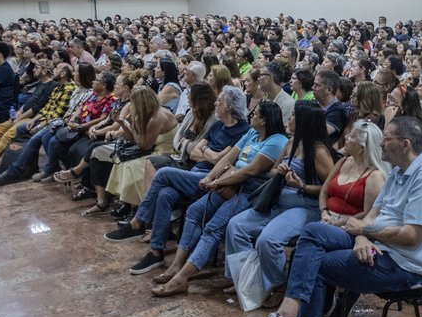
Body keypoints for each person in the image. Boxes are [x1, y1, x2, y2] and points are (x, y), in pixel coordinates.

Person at [237, 117, 422, 317]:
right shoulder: (398, 172)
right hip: (380, 243)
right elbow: (376, 211)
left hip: (406, 264)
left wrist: (365, 230)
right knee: (313, 232)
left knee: (315, 264)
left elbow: (411, 236)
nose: (381, 143)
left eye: (387, 138)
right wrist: (363, 235)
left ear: (405, 144)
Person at [149, 101, 288, 295]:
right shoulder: (252, 134)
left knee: (214, 227)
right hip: (228, 182)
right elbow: (229, 158)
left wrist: (216, 183)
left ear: (264, 120)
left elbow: (252, 170)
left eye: (255, 114)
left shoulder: (277, 140)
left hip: (249, 191)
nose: (251, 116)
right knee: (194, 211)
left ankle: (182, 279)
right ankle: (177, 264)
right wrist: (210, 177)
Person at [108, 87, 249, 262]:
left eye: (219, 101)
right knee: (165, 194)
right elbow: (195, 152)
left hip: (214, 180)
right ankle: (156, 251)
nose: (215, 103)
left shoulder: (243, 130)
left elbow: (220, 159)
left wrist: (205, 151)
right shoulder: (218, 125)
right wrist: (207, 152)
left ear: (228, 106)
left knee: (163, 173)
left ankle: (138, 221)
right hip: (195, 172)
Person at [224, 101, 341, 295]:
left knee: (267, 240)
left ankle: (275, 283)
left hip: (304, 207)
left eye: (294, 115)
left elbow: (330, 188)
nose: (289, 118)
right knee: (236, 226)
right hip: (279, 201)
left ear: (304, 121)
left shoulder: (319, 151)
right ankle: (247, 279)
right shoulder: (291, 143)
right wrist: (278, 171)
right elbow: (271, 172)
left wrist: (301, 185)